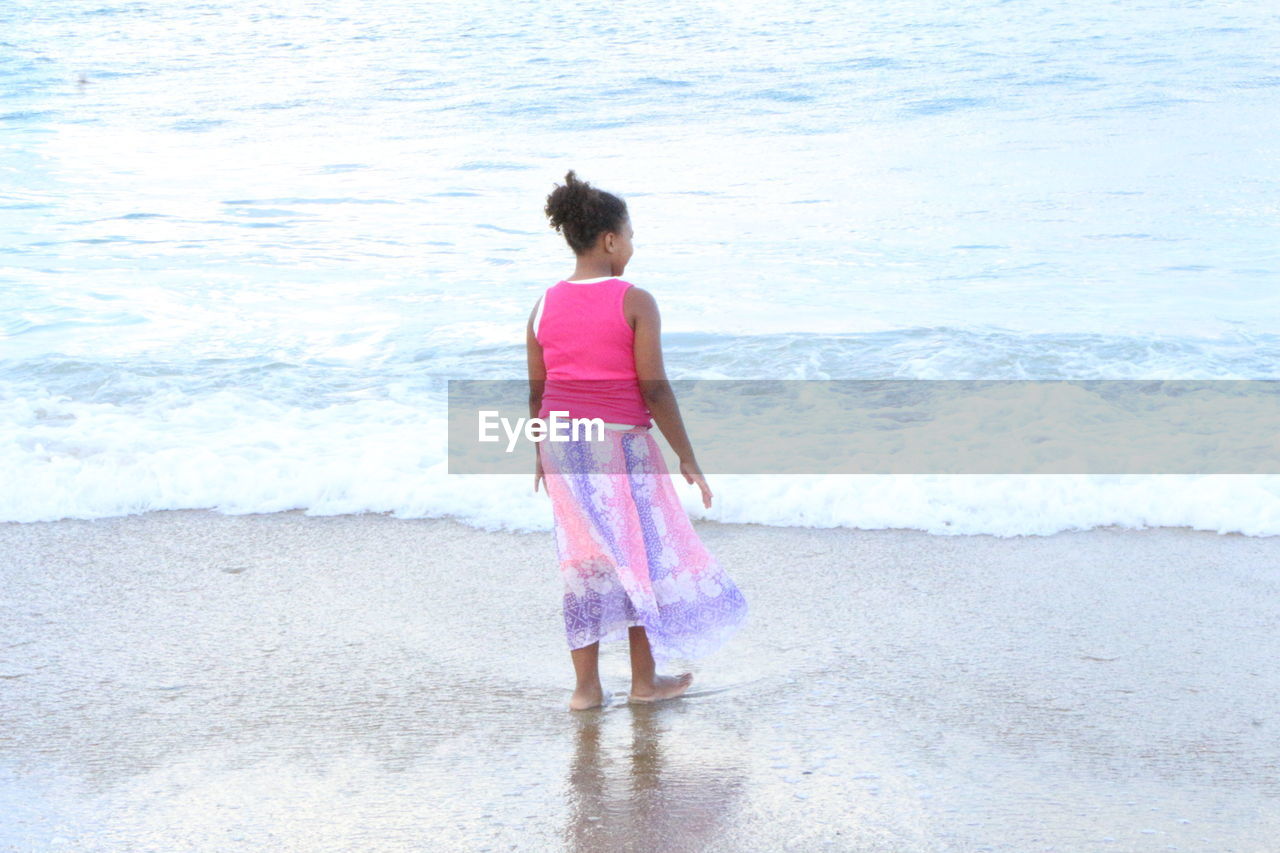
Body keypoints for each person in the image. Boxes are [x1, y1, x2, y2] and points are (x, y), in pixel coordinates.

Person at [527, 170, 749, 711]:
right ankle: (644, 683)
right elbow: (653, 388)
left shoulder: (542, 304)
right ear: (609, 240)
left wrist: (539, 450)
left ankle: (586, 690)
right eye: (629, 236)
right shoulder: (634, 300)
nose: (632, 246)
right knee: (638, 560)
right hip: (621, 449)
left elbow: (538, 391)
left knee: (582, 562)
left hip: (563, 447)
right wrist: (686, 455)